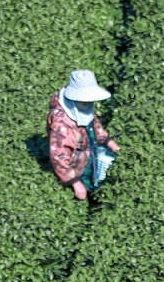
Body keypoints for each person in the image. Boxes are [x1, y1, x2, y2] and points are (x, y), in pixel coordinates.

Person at [47, 69, 119, 200]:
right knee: (83, 192)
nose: (88, 102)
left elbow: (95, 126)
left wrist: (112, 145)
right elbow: (59, 156)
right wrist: (75, 183)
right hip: (74, 167)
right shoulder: (61, 123)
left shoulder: (82, 107)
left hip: (87, 155)